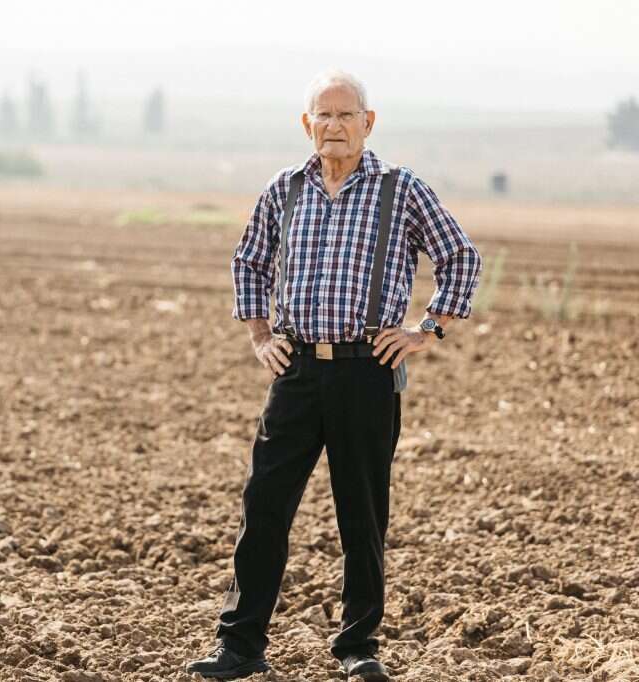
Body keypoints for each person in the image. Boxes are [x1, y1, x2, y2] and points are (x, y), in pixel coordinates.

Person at [185, 70, 483, 681]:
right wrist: (260, 335)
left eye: (346, 115)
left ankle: (357, 648)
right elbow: (249, 259)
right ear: (306, 125)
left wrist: (426, 332)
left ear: (368, 123)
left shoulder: (400, 190)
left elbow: (460, 257)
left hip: (366, 371)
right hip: (295, 370)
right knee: (264, 504)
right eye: (322, 116)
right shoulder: (285, 188)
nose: (333, 126)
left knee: (362, 513)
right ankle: (240, 648)